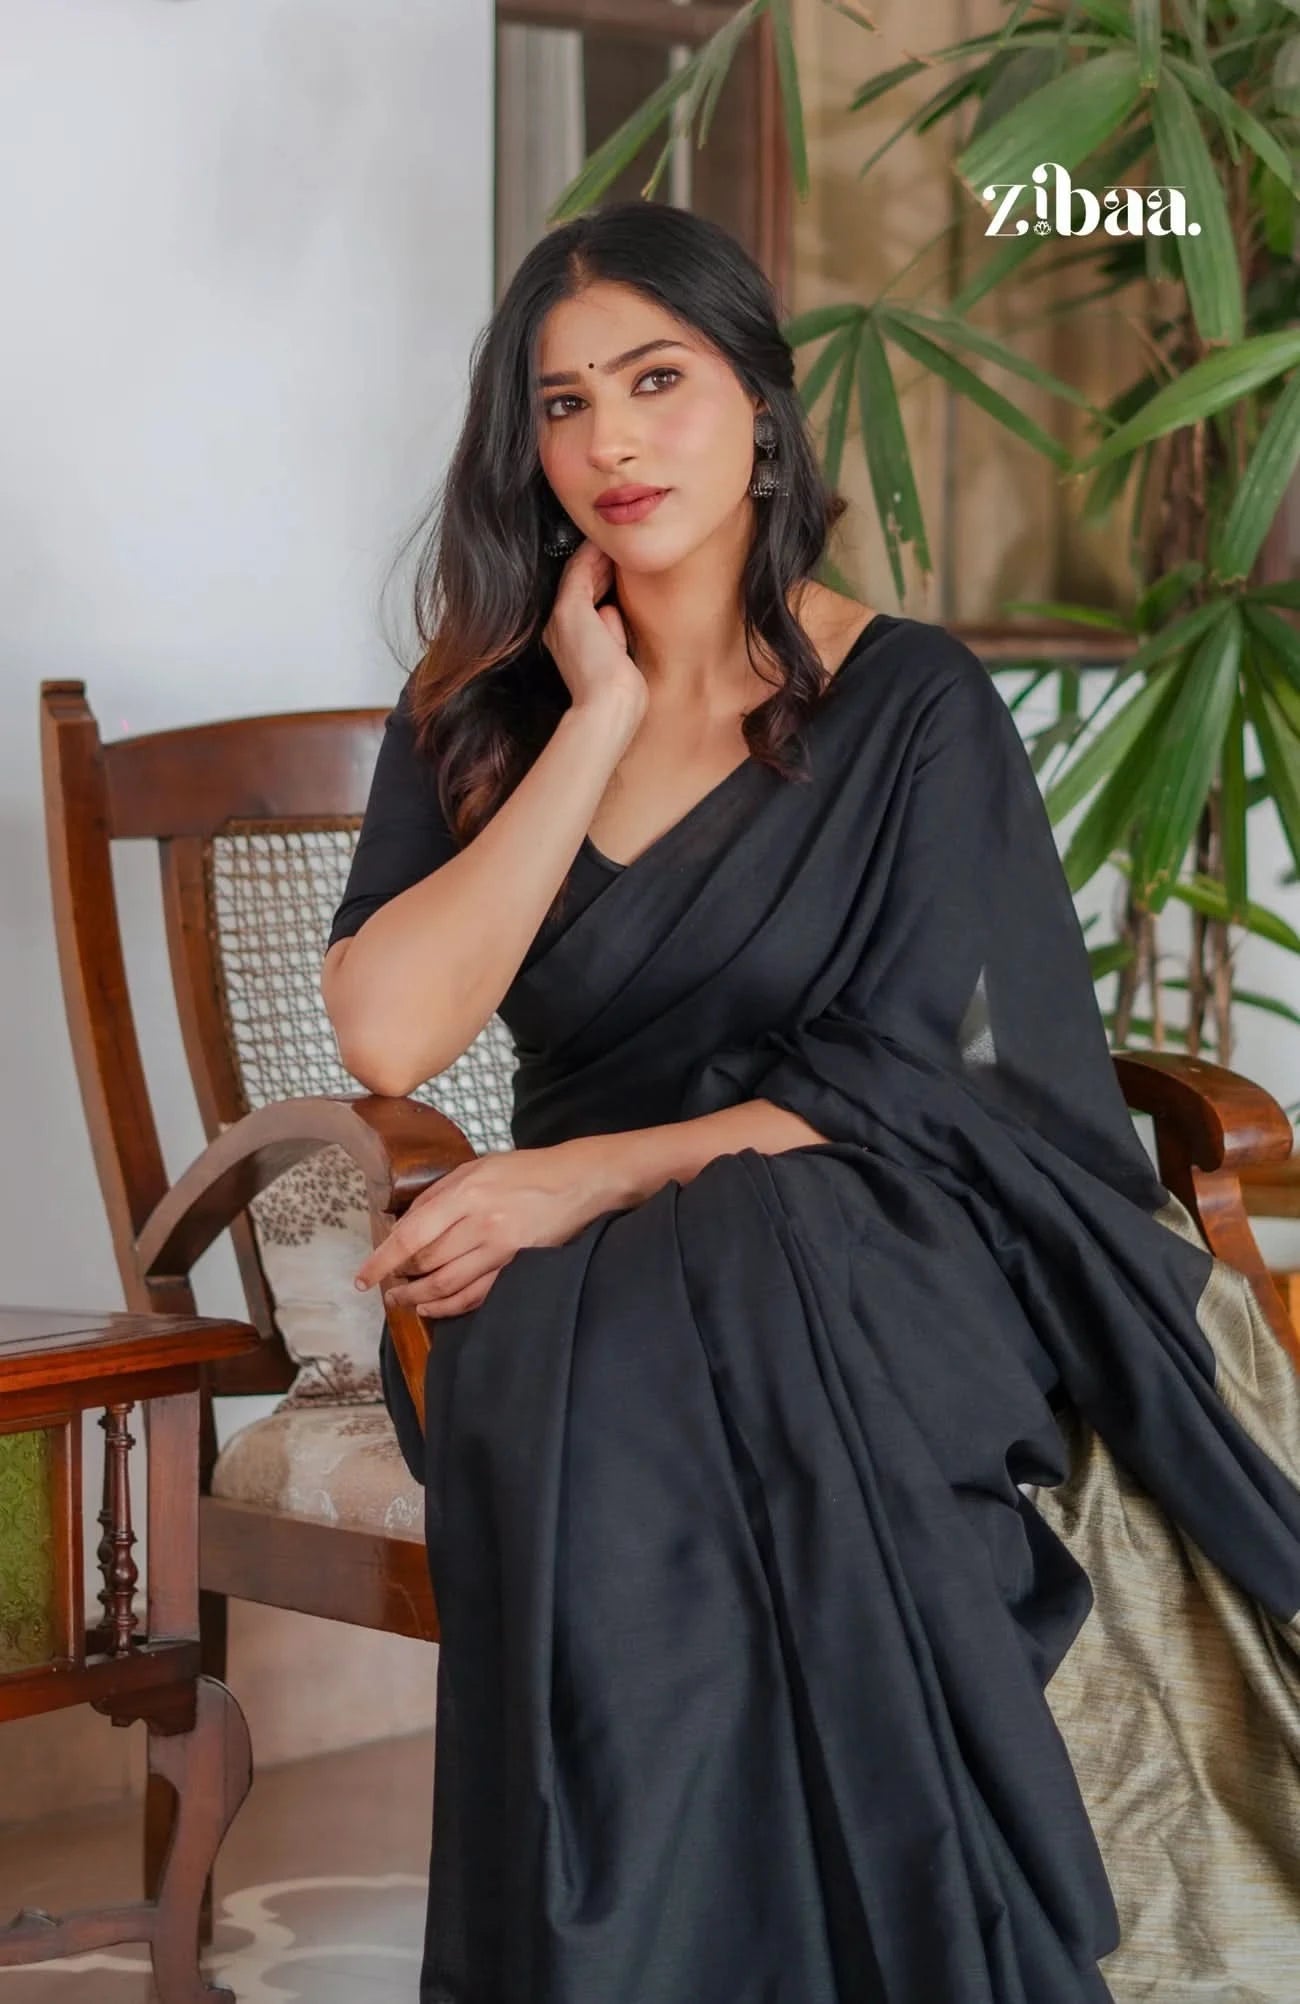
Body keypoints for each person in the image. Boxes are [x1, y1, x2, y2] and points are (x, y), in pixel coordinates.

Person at [320, 201, 1300, 2004]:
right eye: (561, 405)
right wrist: (597, 718)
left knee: (770, 1258)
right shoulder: (478, 707)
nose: (610, 440)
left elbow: (921, 1080)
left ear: (763, 407)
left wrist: (582, 1178)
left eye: (657, 381)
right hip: (556, 1277)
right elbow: (388, 1037)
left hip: (872, 1214)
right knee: (628, 1341)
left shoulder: (911, 698)